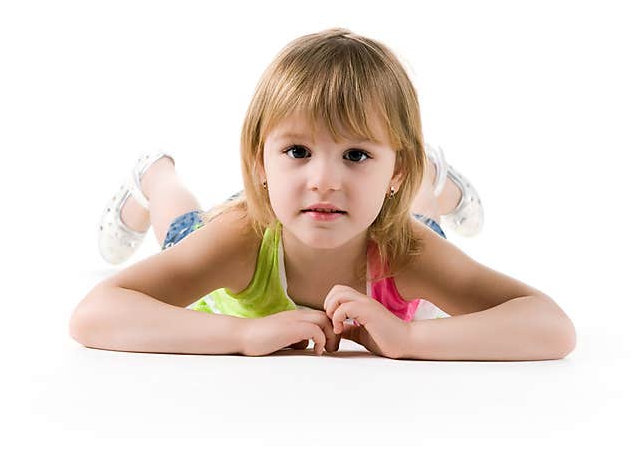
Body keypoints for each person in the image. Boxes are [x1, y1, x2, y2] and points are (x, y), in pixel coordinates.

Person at [70, 28, 575, 360]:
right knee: (182, 228)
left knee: (418, 222)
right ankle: (155, 175)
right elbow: (95, 313)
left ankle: (430, 179)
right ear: (257, 161)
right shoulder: (238, 240)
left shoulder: (407, 253)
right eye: (297, 151)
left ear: (396, 166)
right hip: (252, 220)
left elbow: (552, 326)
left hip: (392, 219)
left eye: (356, 154)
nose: (324, 180)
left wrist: (410, 338)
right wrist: (243, 336)